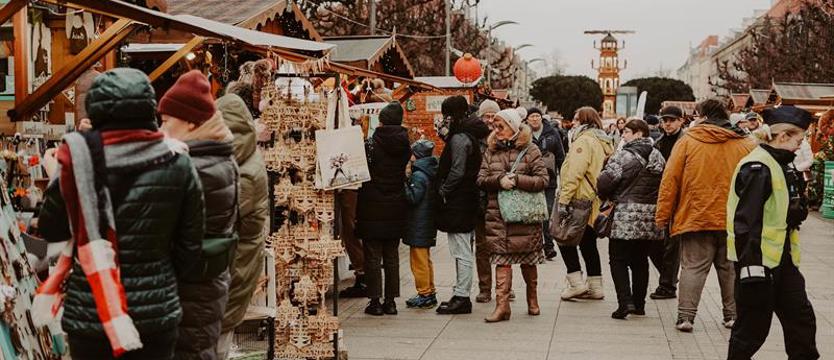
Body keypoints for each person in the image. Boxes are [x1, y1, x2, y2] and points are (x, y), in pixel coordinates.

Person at [37, 68, 204, 360]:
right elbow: (190, 253)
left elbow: (52, 231)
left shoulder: (76, 159)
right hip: (155, 315)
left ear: (96, 110)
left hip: (91, 315)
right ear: (149, 109)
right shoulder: (178, 163)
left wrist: (56, 178)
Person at [656, 98, 756, 332]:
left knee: (692, 267)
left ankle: (686, 317)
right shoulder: (745, 144)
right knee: (729, 268)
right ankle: (732, 316)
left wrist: (663, 216)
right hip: (733, 217)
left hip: (696, 215)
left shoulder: (688, 141)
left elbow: (670, 180)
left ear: (703, 115)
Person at [726, 106, 819, 360]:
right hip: (760, 264)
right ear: (782, 136)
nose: (799, 147)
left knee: (802, 322)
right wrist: (751, 269)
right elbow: (746, 222)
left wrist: (795, 211)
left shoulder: (780, 164)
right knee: (751, 330)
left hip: (782, 261)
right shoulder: (758, 166)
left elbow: (775, 211)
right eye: (798, 140)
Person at [158, 70, 238, 360]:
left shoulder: (197, 166)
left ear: (191, 122)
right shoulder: (211, 158)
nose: (161, 129)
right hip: (201, 292)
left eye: (166, 121)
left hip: (192, 294)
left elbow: (170, 233)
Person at [477, 109, 549, 322]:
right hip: (498, 216)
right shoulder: (490, 150)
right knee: (501, 261)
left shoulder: (531, 149)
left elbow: (543, 180)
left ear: (514, 127)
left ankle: (532, 300)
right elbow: (481, 179)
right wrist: (499, 180)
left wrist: (517, 180)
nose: (496, 130)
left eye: (501, 126)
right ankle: (502, 307)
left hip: (525, 217)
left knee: (528, 261)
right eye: (494, 126)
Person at [215, 93, 269, 359]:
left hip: (232, 267)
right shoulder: (244, 157)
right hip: (236, 265)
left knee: (217, 342)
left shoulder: (240, 168)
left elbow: (217, 218)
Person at [597, 119, 666, 319]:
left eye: (626, 132)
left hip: (625, 216)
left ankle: (624, 303)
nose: (623, 135)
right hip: (650, 216)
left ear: (638, 134)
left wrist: (603, 192)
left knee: (618, 259)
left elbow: (605, 182)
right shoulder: (658, 156)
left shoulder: (624, 156)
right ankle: (639, 304)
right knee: (640, 260)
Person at [435, 95, 490, 314]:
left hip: (459, 199)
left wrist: (443, 190)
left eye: (446, 115)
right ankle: (460, 292)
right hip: (468, 197)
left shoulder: (460, 138)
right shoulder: (471, 134)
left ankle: (462, 295)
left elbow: (457, 171)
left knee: (461, 249)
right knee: (463, 247)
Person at [356, 102, 411, 316]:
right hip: (396, 204)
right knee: (392, 255)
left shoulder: (370, 144)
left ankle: (375, 301)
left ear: (382, 120)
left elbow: (362, 170)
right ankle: (391, 301)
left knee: (372, 256)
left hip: (372, 203)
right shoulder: (405, 144)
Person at [558, 107, 615, 300]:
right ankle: (595, 286)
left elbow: (575, 172)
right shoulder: (605, 140)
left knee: (563, 238)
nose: (573, 123)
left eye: (576, 119)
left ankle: (576, 283)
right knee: (587, 243)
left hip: (580, 199)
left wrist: (564, 199)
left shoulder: (584, 141)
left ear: (585, 121)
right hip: (596, 199)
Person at [649, 105, 686, 300]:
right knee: (655, 242)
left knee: (672, 243)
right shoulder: (659, 143)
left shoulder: (687, 142)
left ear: (681, 121)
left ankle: (668, 285)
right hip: (663, 195)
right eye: (665, 120)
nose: (667, 124)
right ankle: (669, 277)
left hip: (682, 198)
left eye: (672, 120)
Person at [404, 140, 440, 309]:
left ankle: (424, 293)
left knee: (418, 261)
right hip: (426, 222)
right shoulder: (430, 170)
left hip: (418, 223)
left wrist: (404, 183)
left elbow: (412, 198)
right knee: (425, 259)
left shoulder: (418, 175)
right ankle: (430, 290)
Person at [527, 107, 566, 260]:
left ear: (541, 117)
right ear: (527, 119)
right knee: (534, 213)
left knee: (547, 212)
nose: (535, 119)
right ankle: (536, 246)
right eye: (532, 116)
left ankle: (548, 246)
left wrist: (563, 176)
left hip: (549, 180)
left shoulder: (552, 133)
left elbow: (560, 156)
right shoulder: (525, 133)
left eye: (537, 116)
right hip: (531, 180)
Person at [475, 99, 500, 303]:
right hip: (480, 200)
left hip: (502, 199)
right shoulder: (474, 139)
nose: (490, 120)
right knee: (482, 246)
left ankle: (504, 285)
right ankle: (485, 287)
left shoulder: (506, 138)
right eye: (486, 116)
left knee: (502, 244)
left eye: (493, 116)